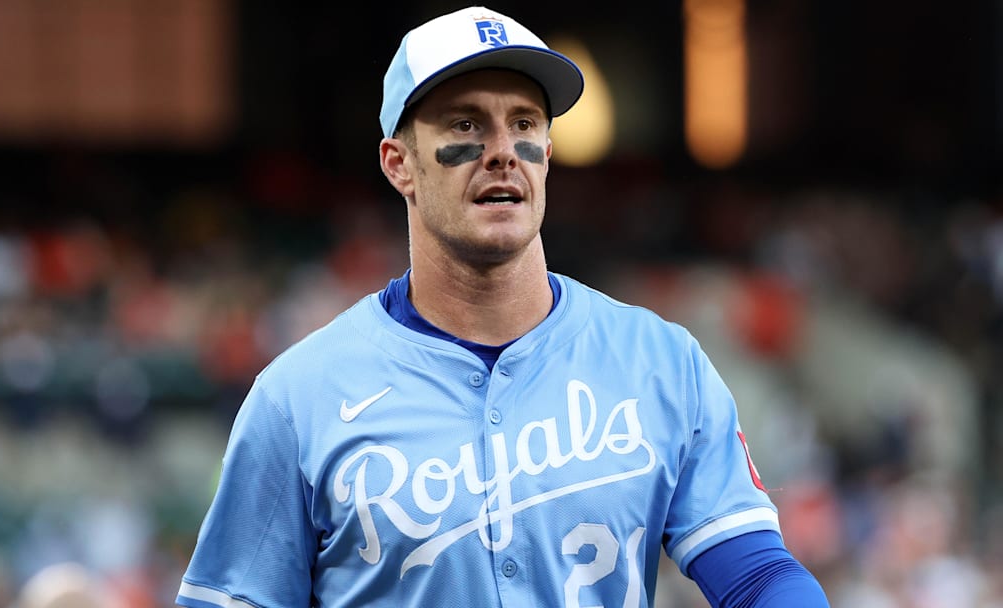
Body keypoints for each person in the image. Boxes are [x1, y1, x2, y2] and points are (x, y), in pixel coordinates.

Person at [176, 6, 830, 607]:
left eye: (524, 123)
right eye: (466, 123)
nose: (500, 151)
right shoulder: (298, 398)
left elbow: (756, 576)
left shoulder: (661, 363)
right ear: (399, 163)